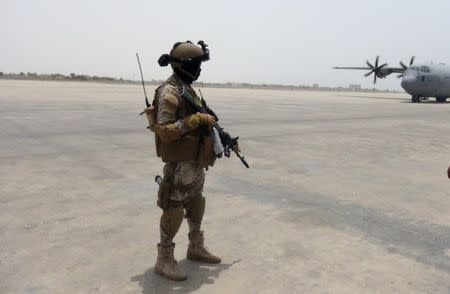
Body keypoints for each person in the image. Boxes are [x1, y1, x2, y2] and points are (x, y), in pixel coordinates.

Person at [150, 41, 221, 281]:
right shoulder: (170, 91)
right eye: (197, 64)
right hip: (179, 163)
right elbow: (164, 130)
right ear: (185, 65)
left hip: (195, 161)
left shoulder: (187, 87)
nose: (200, 69)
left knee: (196, 203)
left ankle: (195, 246)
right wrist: (192, 121)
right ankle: (164, 258)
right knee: (174, 209)